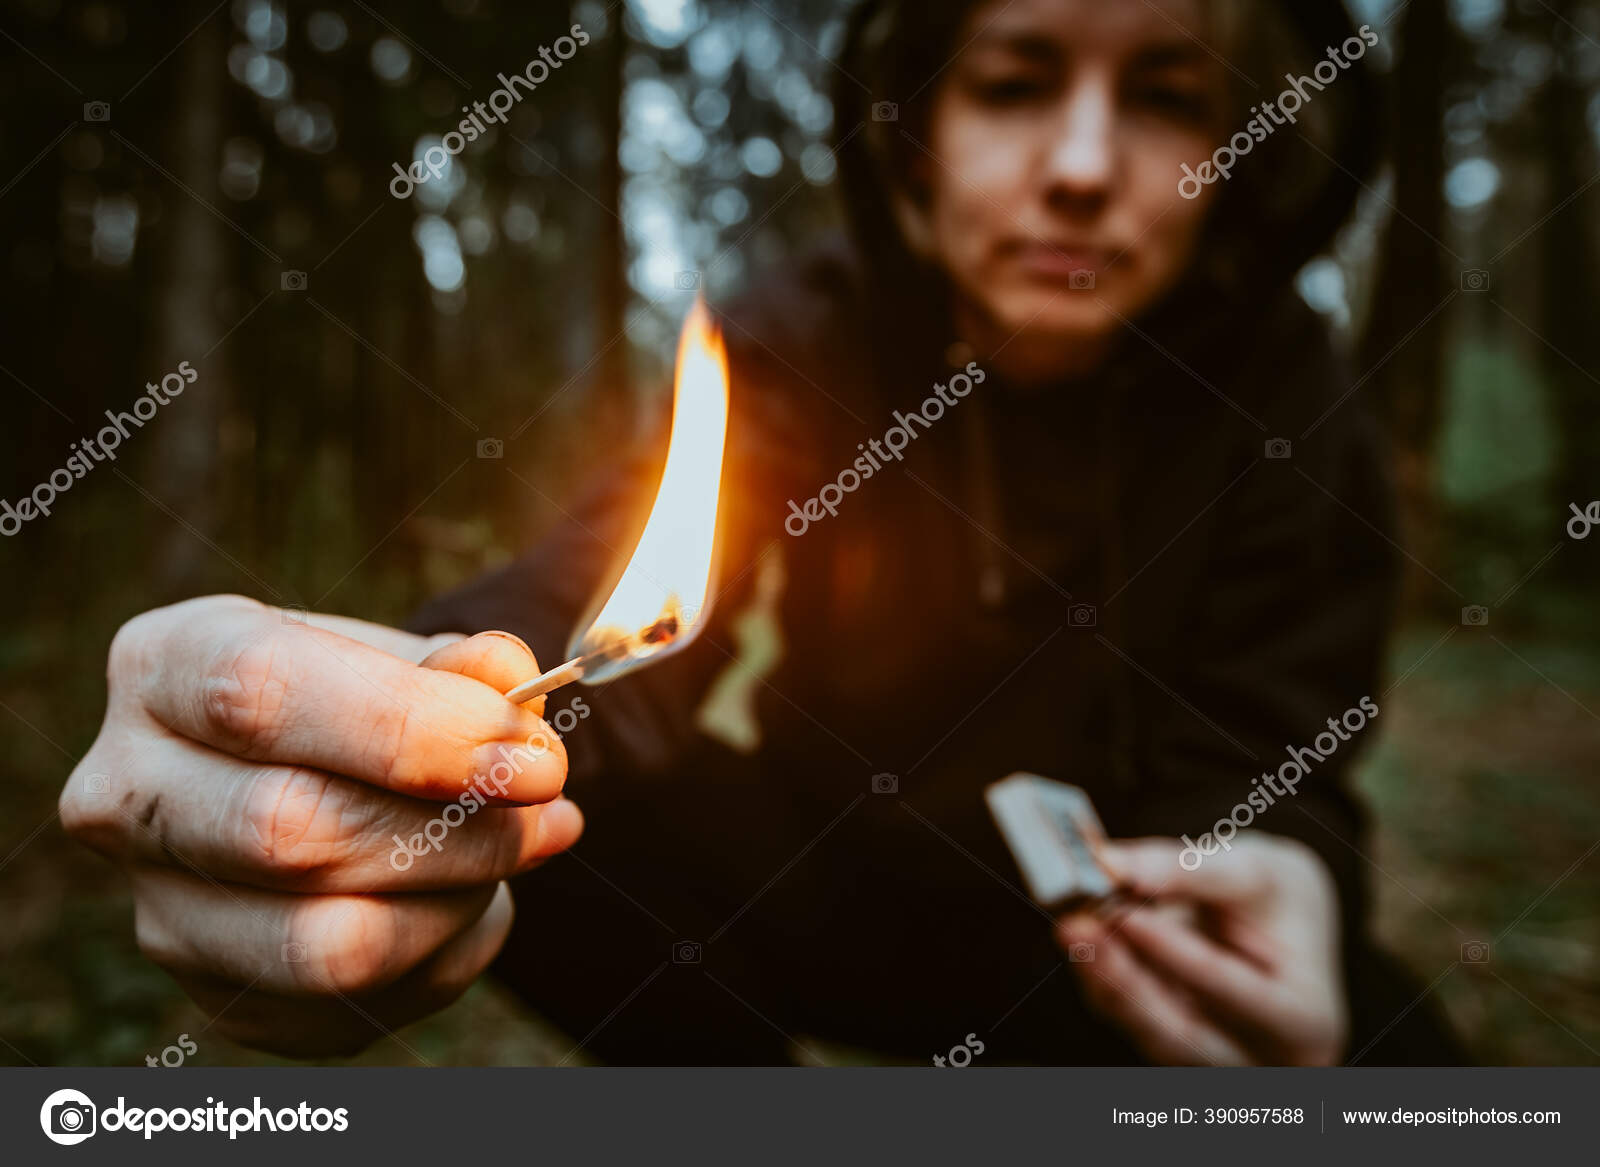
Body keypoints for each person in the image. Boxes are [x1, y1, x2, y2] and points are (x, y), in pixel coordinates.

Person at [61, 0, 1462, 1065]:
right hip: (812, 879)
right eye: (1016, 83)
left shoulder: (1289, 391)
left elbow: (1284, 744)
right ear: (914, 133)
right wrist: (396, 723)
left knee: (1408, 1062)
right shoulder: (796, 336)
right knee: (551, 824)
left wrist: (1283, 870)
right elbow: (587, 596)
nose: (1085, 168)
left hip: (1113, 943)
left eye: (1171, 97)